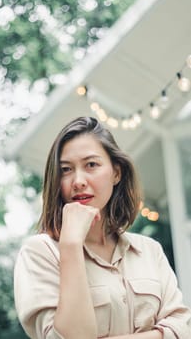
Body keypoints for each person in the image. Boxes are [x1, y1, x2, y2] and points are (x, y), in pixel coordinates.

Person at [14, 116, 191, 339]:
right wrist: (71, 245)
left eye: (91, 165)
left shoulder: (149, 250)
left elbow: (182, 330)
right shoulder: (40, 253)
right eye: (66, 170)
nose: (78, 180)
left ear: (116, 173)